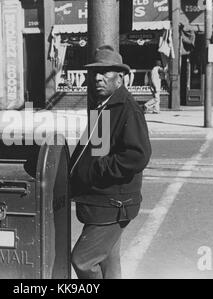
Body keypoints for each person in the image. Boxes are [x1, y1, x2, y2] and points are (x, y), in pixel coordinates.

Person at [70, 45, 152, 279]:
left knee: (83, 261)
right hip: (102, 202)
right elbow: (97, 149)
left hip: (113, 204)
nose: (98, 78)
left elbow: (137, 155)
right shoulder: (105, 105)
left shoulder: (126, 108)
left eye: (105, 73)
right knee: (108, 262)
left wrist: (97, 170)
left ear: (120, 77)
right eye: (94, 73)